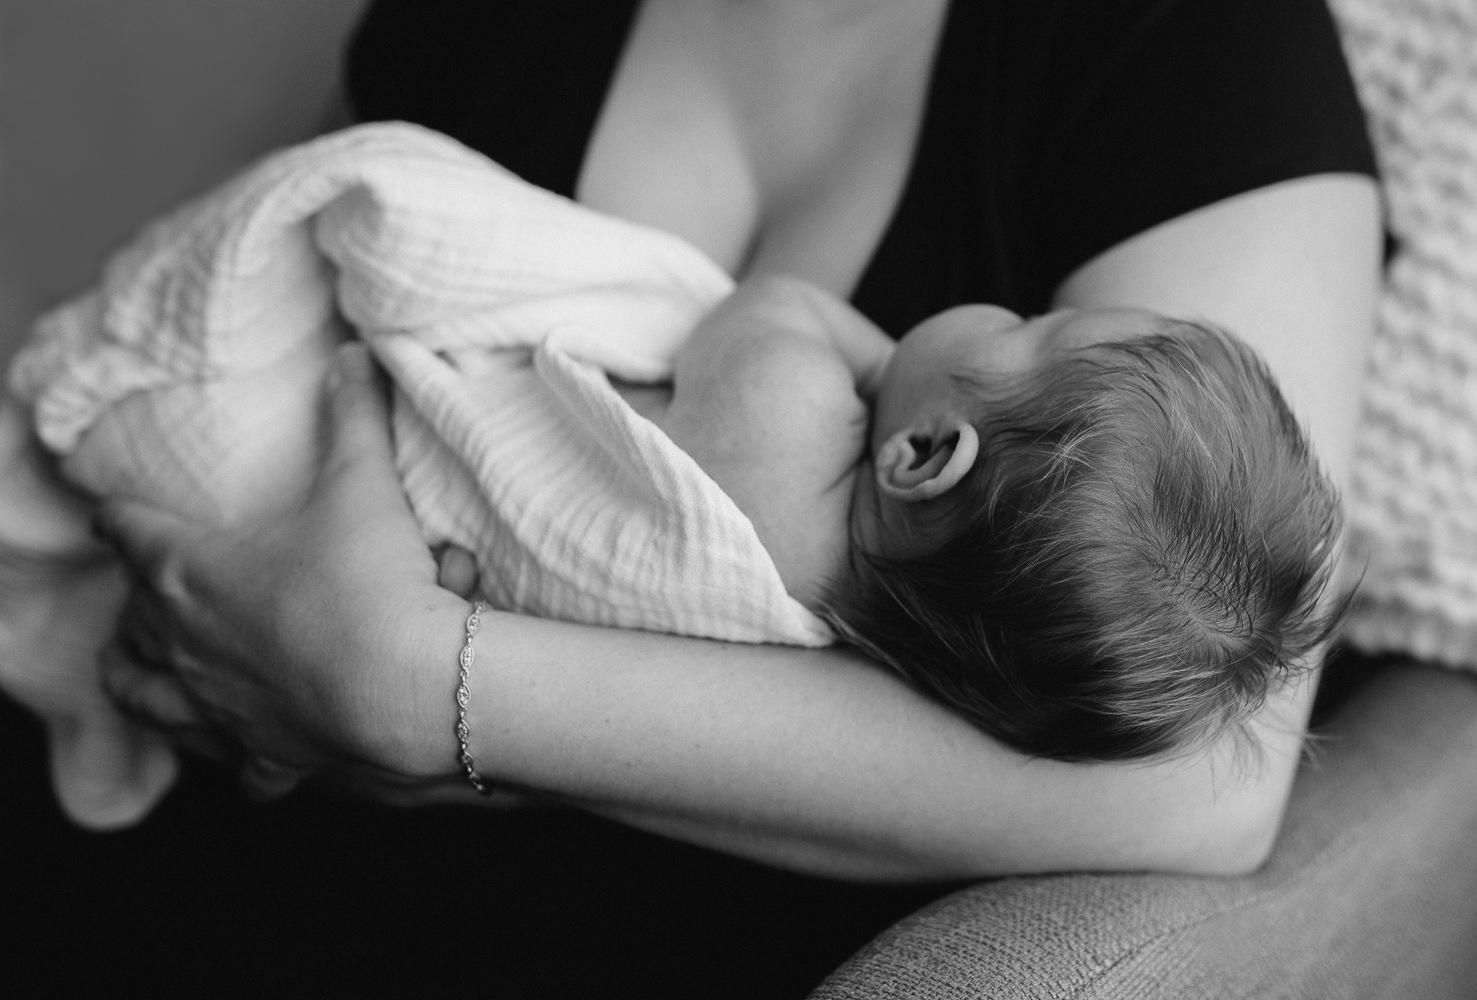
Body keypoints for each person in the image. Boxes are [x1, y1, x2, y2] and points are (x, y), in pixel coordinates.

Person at [28, 0, 1383, 994]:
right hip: (231, 788)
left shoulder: (1190, 48)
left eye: (1028, 328)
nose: (1009, 323)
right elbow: (317, 300)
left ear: (925, 459)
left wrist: (412, 682)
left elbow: (1209, 779)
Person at [649, 273, 1344, 763]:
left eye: (1029, 328)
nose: (1009, 309)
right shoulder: (844, 647)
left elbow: (776, 300)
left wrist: (889, 367)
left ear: (924, 456)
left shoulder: (781, 416)